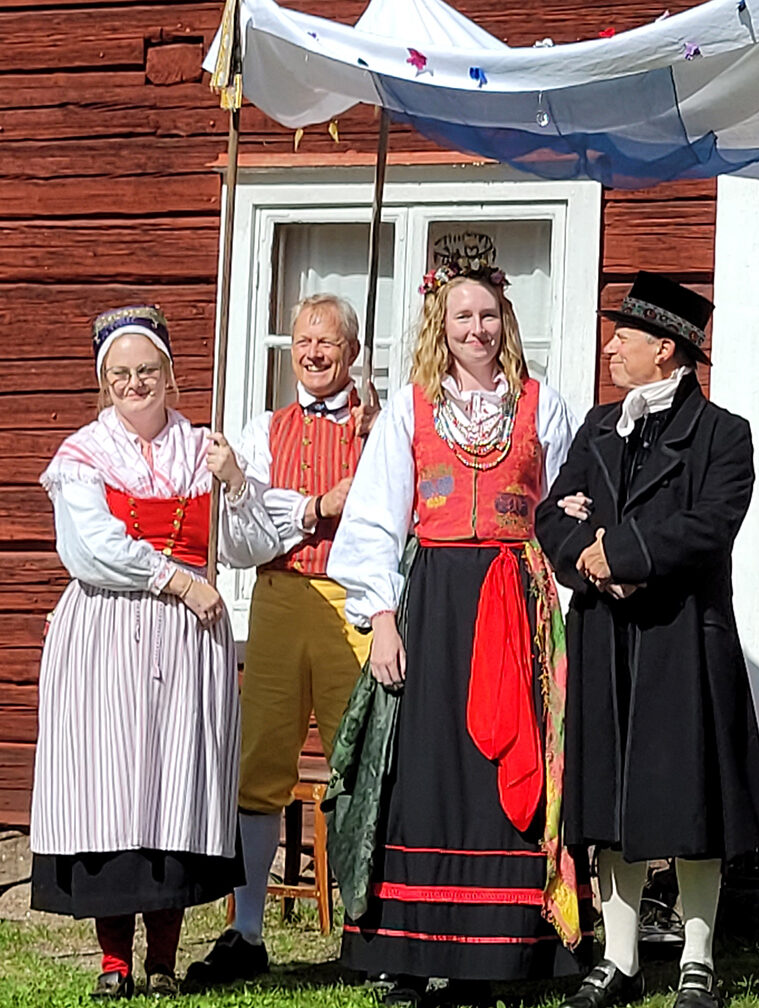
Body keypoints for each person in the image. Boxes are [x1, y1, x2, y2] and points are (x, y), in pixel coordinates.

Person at [328, 250, 584, 1000]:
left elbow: (568, 506)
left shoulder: (543, 405)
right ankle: (409, 952)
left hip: (517, 597)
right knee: (426, 767)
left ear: (506, 322)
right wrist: (380, 616)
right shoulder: (412, 408)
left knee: (506, 763)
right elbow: (374, 518)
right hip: (433, 598)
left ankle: (503, 950)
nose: (476, 329)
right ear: (441, 325)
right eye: (462, 316)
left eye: (488, 315)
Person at [30, 305, 280, 999]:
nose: (134, 385)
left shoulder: (206, 451)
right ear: (104, 383)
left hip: (187, 643)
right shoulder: (83, 453)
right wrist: (176, 579)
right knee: (110, 788)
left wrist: (234, 483)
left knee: (173, 788)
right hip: (108, 631)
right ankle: (114, 964)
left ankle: (163, 963)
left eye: (147, 371)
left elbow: (252, 545)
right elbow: (91, 549)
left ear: (171, 376)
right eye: (120, 375)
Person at [536, 272, 759, 1008]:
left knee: (690, 804)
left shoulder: (723, 434)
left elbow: (710, 525)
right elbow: (550, 514)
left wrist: (625, 555)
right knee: (605, 804)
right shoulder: (600, 426)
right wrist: (590, 562)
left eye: (623, 337)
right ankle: (622, 959)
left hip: (681, 635)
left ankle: (697, 958)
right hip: (604, 633)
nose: (611, 348)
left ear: (665, 350)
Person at [186, 293, 378, 987]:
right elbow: (246, 536)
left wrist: (374, 449)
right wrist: (314, 507)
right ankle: (246, 929)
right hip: (275, 596)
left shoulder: (377, 425)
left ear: (352, 351)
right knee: (259, 765)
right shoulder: (263, 430)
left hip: (353, 601)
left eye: (327, 342)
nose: (313, 353)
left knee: (357, 762)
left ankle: (369, 927)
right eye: (303, 340)